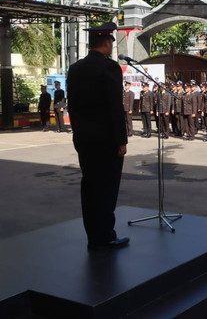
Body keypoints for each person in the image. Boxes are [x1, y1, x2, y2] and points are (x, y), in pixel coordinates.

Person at [67, 22, 129, 251]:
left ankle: (93, 236)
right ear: (107, 42)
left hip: (84, 138)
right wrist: (121, 140)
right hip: (106, 140)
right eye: (112, 42)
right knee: (106, 188)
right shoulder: (109, 68)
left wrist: (77, 134)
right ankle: (106, 236)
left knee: (90, 187)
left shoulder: (75, 69)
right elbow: (115, 107)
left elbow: (72, 107)